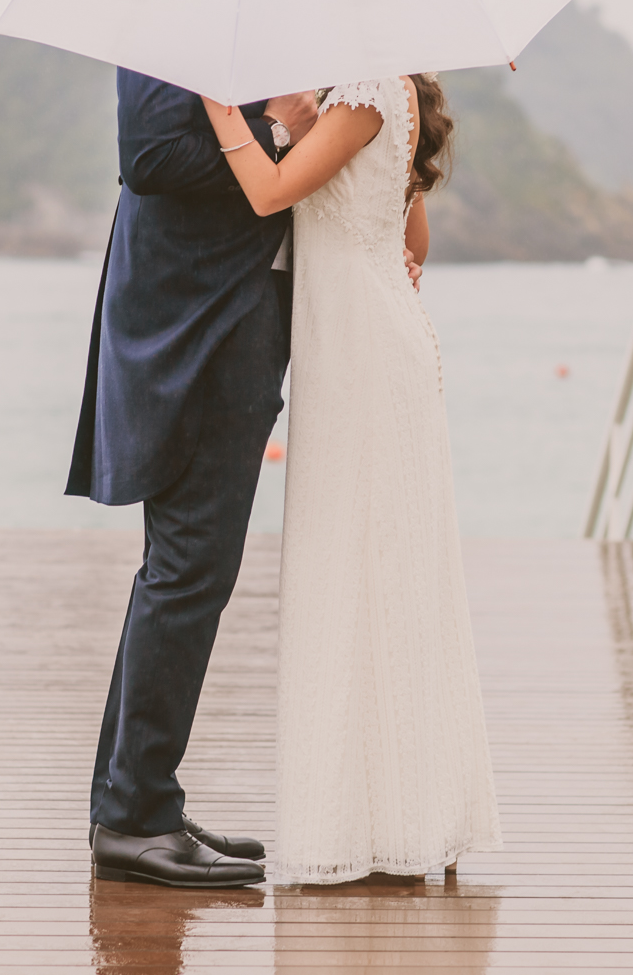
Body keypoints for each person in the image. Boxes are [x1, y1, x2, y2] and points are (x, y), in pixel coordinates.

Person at [202, 73, 502, 883]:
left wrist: (225, 109)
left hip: (365, 360)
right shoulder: (392, 91)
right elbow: (416, 246)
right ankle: (395, 815)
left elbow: (268, 196)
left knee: (364, 573)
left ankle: (383, 819)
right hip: (372, 347)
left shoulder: (367, 88)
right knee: (382, 576)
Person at [69, 70, 317, 888]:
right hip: (196, 322)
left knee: (184, 574)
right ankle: (136, 816)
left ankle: (138, 802)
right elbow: (151, 156)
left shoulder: (257, 12)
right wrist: (278, 134)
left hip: (233, 313)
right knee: (188, 571)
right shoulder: (178, 18)